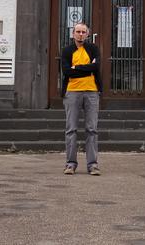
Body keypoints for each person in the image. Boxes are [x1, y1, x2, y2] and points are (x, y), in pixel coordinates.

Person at [61, 22, 102, 176]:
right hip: (72, 92)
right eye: (77, 31)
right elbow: (66, 71)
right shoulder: (67, 50)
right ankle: (70, 164)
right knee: (71, 129)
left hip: (92, 92)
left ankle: (93, 165)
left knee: (92, 129)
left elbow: (96, 67)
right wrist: (86, 68)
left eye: (83, 32)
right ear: (73, 34)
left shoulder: (93, 49)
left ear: (87, 34)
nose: (80, 34)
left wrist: (76, 68)